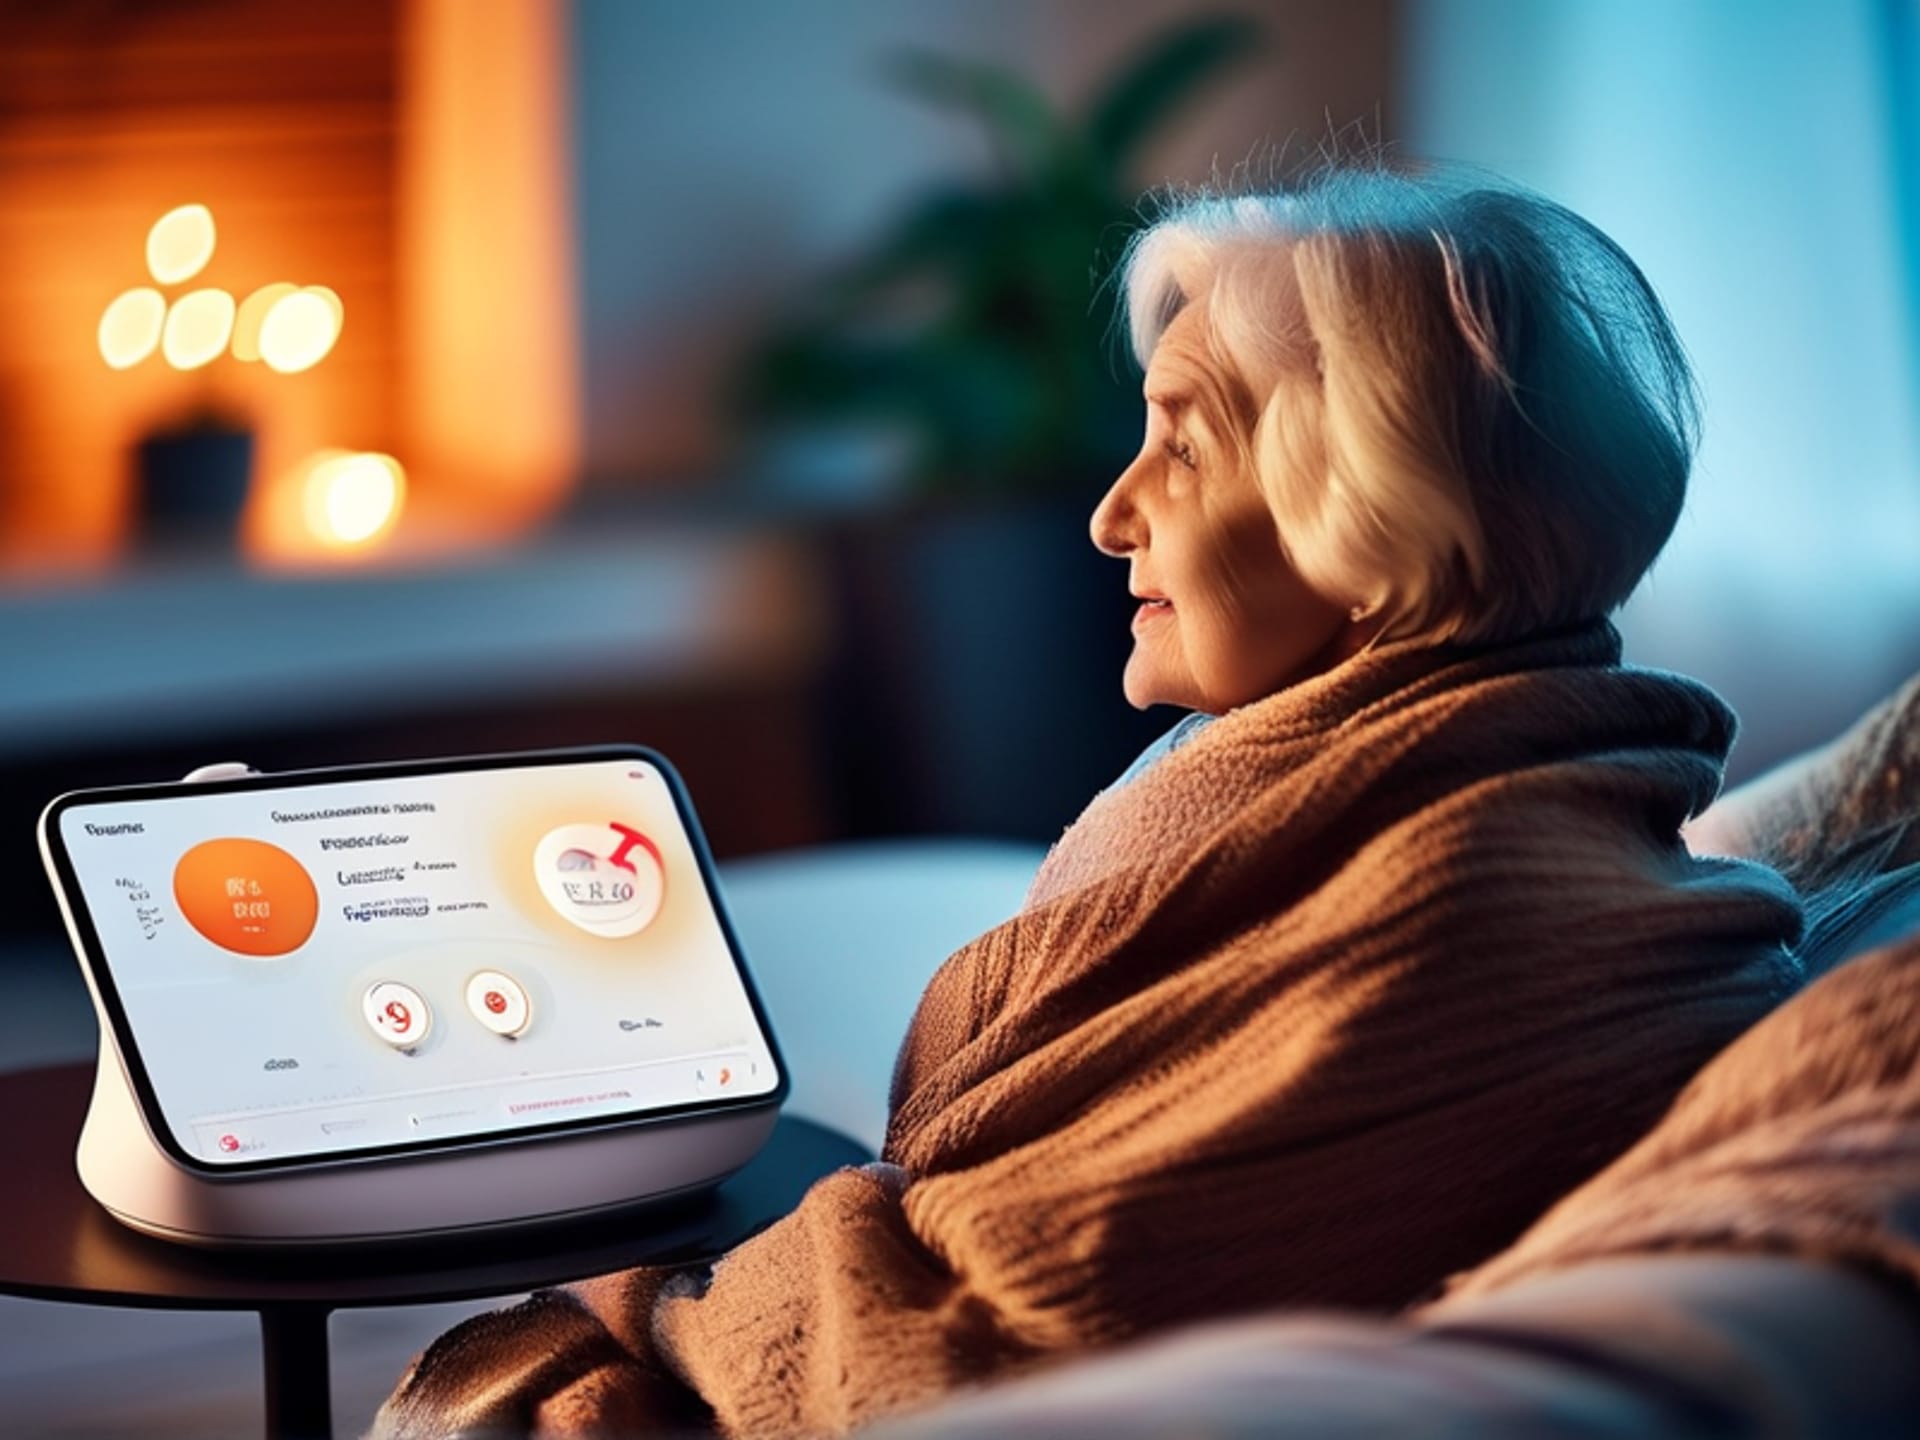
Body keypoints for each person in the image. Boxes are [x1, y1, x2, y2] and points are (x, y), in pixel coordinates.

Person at [373, 162, 1815, 1439]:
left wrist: (633, 1280)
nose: (1112, 512)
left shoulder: (1457, 904)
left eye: (1183, 445)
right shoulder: (1394, 778)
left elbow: (988, 1333)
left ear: (1378, 517)